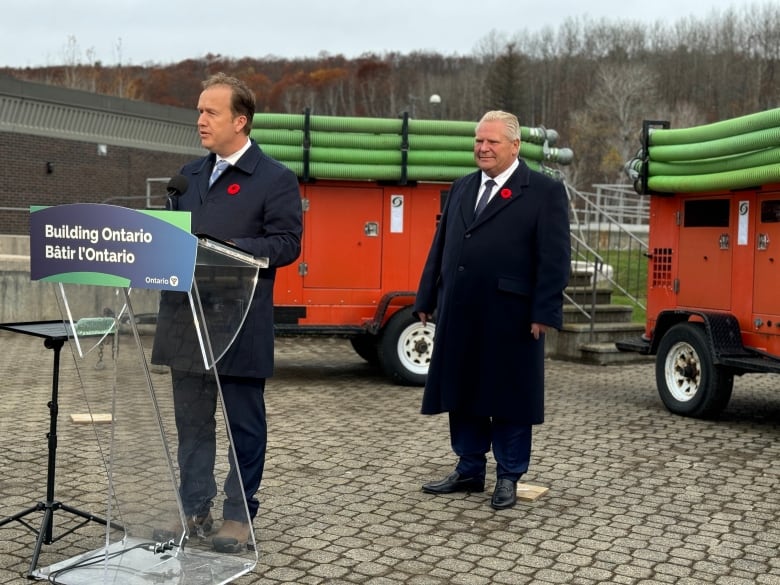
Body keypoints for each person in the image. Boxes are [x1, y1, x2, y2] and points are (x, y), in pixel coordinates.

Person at [151, 72, 302, 551]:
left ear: (241, 120)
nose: (200, 120)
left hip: (238, 321)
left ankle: (239, 516)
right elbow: (170, 243)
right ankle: (193, 508)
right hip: (185, 319)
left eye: (210, 112)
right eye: (199, 110)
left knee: (243, 425)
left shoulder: (274, 179)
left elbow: (287, 243)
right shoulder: (188, 176)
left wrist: (229, 250)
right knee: (192, 426)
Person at [414, 110, 570, 510]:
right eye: (479, 141)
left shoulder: (543, 191)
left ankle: (508, 476)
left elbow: (554, 260)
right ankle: (468, 469)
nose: (482, 148)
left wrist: (543, 312)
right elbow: (442, 246)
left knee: (508, 397)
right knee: (462, 391)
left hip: (511, 317)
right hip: (460, 310)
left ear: (515, 146)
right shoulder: (463, 187)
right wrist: (426, 297)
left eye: (492, 142)